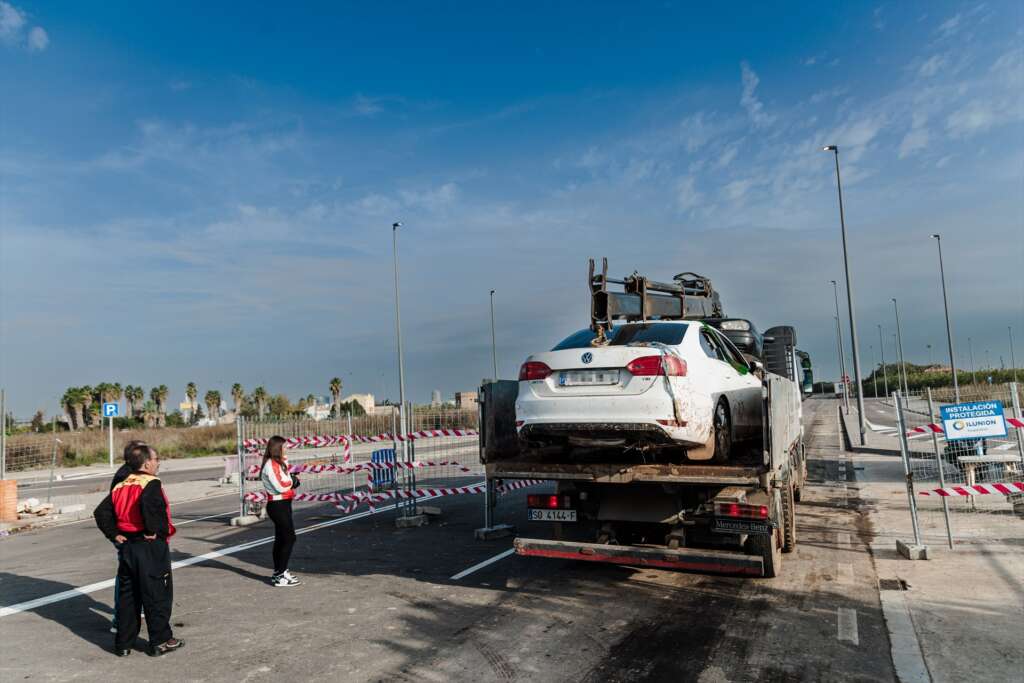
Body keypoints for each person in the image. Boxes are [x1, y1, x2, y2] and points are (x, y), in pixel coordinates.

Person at [94, 444, 184, 657]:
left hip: (128, 547)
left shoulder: (121, 484)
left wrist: (113, 533)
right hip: (148, 546)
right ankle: (161, 640)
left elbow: (101, 512)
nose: (158, 462)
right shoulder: (150, 482)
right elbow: (149, 505)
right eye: (156, 459)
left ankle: (123, 644)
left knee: (128, 597)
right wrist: (152, 529)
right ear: (146, 463)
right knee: (156, 594)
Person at [108, 440, 147, 634]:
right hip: (129, 535)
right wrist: (115, 534)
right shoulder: (125, 478)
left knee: (131, 576)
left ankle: (130, 615)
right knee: (127, 578)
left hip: (130, 534)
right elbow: (106, 511)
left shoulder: (131, 475)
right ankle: (120, 619)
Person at [260, 436, 301, 587]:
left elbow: (286, 480)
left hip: (284, 503)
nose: (287, 448)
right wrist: (292, 481)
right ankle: (281, 574)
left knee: (281, 539)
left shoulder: (279, 463)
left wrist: (291, 479)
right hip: (277, 505)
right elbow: (281, 485)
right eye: (285, 446)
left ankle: (279, 573)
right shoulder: (271, 464)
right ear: (278, 448)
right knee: (289, 538)